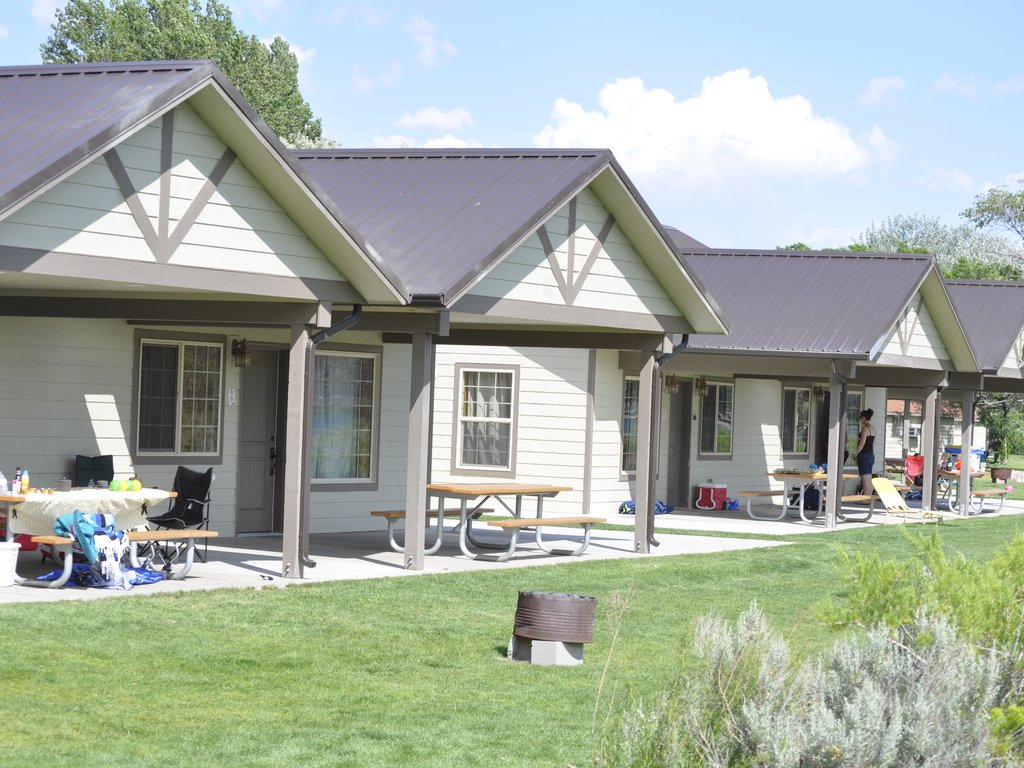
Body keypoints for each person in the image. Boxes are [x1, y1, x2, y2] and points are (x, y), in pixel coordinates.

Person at [855, 408, 877, 495]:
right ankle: (869, 498)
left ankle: (866, 499)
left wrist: (856, 453)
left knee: (865, 478)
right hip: (871, 455)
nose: (860, 419)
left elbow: (862, 443)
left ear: (864, 418)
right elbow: (874, 444)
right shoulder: (873, 429)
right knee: (869, 477)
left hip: (863, 455)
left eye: (860, 417)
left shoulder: (865, 429)